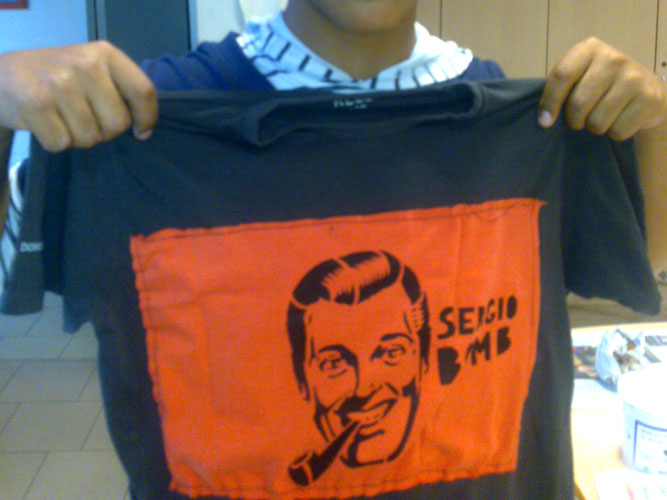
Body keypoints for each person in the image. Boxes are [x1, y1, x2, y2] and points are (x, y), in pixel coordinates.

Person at [0, 1, 665, 499]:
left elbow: (650, 253)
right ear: (301, 374)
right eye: (334, 362)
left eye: (390, 352)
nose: (366, 388)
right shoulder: (134, 125)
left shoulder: (528, 128)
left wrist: (653, 126)